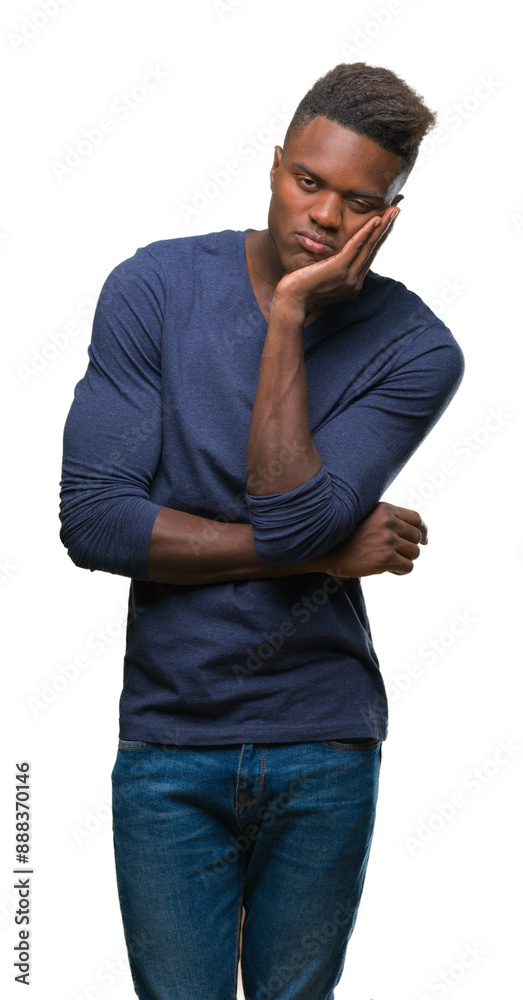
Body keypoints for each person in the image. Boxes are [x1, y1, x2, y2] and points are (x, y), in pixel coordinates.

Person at [58, 62, 465, 1000]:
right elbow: (95, 522)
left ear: (389, 216)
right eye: (308, 181)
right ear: (276, 163)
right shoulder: (155, 288)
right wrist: (332, 552)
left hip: (321, 739)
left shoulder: (416, 349)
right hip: (170, 739)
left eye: (358, 202)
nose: (323, 215)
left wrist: (287, 314)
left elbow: (289, 514)